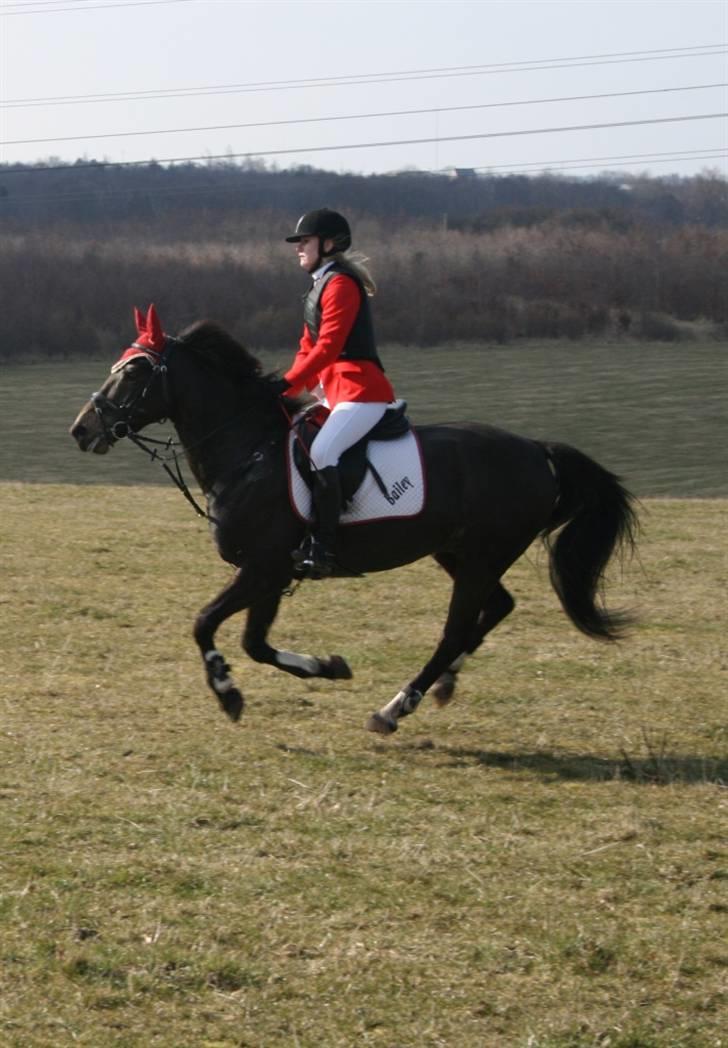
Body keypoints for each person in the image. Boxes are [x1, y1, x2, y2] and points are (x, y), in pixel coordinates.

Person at [271, 208, 396, 579]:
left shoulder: (340, 284)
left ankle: (324, 546)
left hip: (362, 392)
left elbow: (328, 347)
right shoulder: (317, 288)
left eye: (304, 242)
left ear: (327, 244)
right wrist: (282, 392)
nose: (298, 249)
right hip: (335, 394)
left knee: (324, 450)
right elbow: (306, 351)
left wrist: (283, 386)